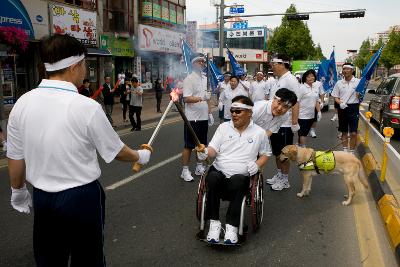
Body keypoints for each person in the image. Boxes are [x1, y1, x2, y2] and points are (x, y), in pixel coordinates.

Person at [6, 34, 152, 266]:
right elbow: (117, 151)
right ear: (74, 66)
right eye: (84, 64)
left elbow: (15, 156)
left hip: (43, 197)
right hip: (81, 198)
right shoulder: (87, 107)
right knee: (88, 259)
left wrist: (18, 190)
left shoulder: (22, 103)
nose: (84, 69)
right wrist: (141, 156)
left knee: (49, 259)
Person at [196, 95, 271, 244]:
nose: (234, 114)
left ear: (249, 113)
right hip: (220, 172)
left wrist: (257, 164)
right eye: (232, 111)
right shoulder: (223, 127)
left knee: (238, 180)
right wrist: (204, 152)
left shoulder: (259, 133)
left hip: (241, 177)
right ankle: (214, 224)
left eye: (238, 111)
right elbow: (212, 150)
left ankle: (231, 226)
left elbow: (265, 154)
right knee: (211, 178)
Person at [267, 54, 301, 191]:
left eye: (274, 63)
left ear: (282, 64)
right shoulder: (278, 79)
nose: (272, 66)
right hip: (275, 123)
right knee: (277, 152)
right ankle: (280, 174)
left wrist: (294, 122)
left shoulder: (291, 80)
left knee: (284, 153)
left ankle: (285, 180)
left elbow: (296, 102)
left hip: (285, 124)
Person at [180, 53, 214, 182]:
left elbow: (208, 98)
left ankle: (199, 166)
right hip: (192, 118)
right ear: (194, 64)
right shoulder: (189, 79)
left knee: (202, 145)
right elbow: (187, 98)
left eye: (203, 62)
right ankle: (185, 170)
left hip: (203, 117)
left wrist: (209, 112)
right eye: (200, 61)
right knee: (189, 145)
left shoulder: (205, 78)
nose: (202, 64)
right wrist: (201, 98)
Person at [331, 62, 361, 154]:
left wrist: (359, 95)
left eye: (348, 69)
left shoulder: (358, 82)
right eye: (344, 69)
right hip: (342, 108)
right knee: (344, 132)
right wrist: (340, 103)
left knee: (353, 133)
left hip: (353, 107)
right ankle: (344, 151)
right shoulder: (339, 83)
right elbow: (335, 96)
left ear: (352, 70)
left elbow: (361, 96)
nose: (345, 71)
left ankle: (351, 152)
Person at [297, 69, 322, 147]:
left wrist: (319, 112)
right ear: (305, 78)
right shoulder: (301, 88)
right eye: (309, 77)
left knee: (303, 133)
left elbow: (316, 101)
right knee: (303, 133)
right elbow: (296, 102)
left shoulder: (315, 88)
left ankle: (299, 145)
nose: (311, 78)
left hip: (311, 115)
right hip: (302, 115)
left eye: (312, 76)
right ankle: (303, 149)